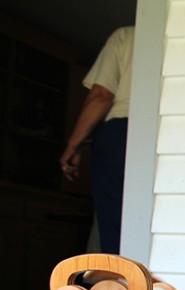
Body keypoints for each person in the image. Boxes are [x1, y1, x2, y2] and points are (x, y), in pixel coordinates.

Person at [60, 26, 134, 254]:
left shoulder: (124, 37)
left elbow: (102, 95)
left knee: (113, 220)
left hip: (120, 131)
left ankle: (119, 281)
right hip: (156, 132)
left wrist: (73, 145)